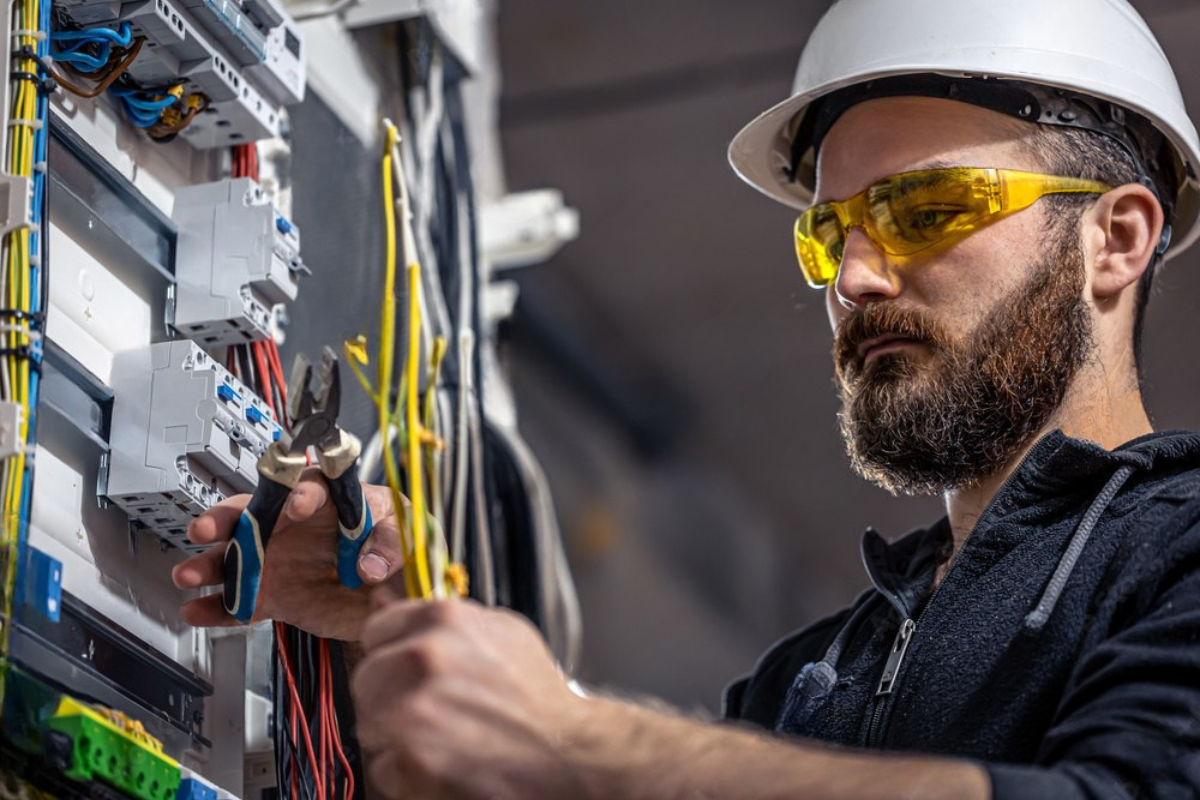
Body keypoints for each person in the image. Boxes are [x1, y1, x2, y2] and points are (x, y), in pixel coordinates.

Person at [172, 0, 1200, 797]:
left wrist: (576, 740)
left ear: (1116, 239)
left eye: (925, 207)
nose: (854, 278)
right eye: (829, 231)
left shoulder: (1175, 555)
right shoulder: (807, 679)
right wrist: (383, 634)